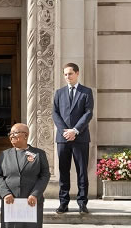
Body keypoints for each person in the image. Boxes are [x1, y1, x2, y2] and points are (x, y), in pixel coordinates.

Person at [52, 62, 93, 215]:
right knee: (63, 171)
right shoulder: (59, 93)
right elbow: (55, 113)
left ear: (77, 73)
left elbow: (88, 113)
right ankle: (63, 203)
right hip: (63, 139)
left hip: (80, 138)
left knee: (82, 171)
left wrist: (75, 130)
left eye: (70, 73)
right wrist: (65, 131)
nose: (67, 77)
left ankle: (82, 203)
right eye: (65, 74)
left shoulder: (86, 92)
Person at [0, 123, 50, 228]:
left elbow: (45, 175)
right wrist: (5, 193)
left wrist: (35, 194)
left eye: (15, 133)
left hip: (31, 202)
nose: (11, 136)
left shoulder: (39, 154)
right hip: (10, 202)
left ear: (25, 135)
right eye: (10, 133)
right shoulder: (4, 154)